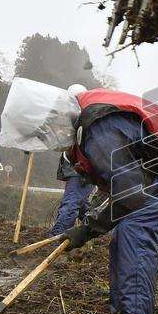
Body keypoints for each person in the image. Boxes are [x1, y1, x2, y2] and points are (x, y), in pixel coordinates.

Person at [0, 78, 158, 314]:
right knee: (123, 233)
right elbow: (123, 188)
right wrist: (90, 227)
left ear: (54, 123)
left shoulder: (99, 138)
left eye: (44, 134)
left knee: (134, 230)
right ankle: (122, 311)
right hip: (153, 168)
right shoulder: (82, 122)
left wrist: (89, 227)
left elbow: (132, 196)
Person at [49, 85, 96, 237]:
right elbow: (61, 141)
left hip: (82, 169)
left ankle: (55, 239)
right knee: (82, 206)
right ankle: (95, 233)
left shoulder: (89, 118)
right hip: (74, 167)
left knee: (71, 204)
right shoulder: (71, 118)